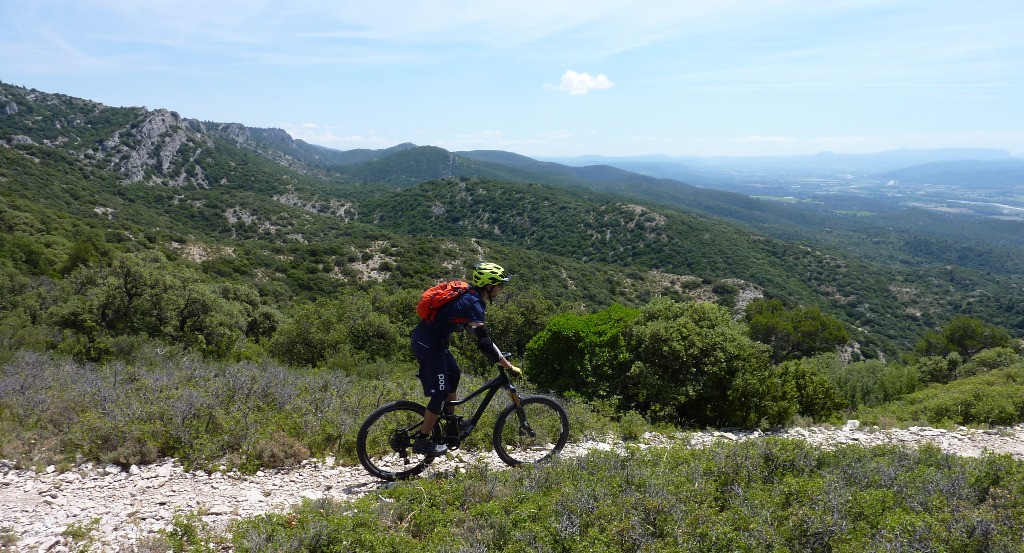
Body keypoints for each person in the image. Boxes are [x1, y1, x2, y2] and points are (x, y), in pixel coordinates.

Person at [410, 262, 523, 456]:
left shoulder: (471, 296)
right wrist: (507, 365)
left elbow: (475, 332)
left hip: (436, 342)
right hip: (428, 346)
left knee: (454, 374)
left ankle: (450, 425)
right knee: (440, 392)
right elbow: (484, 341)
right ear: (489, 286)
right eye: (500, 285)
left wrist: (496, 353)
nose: (502, 289)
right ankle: (422, 440)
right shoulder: (474, 304)